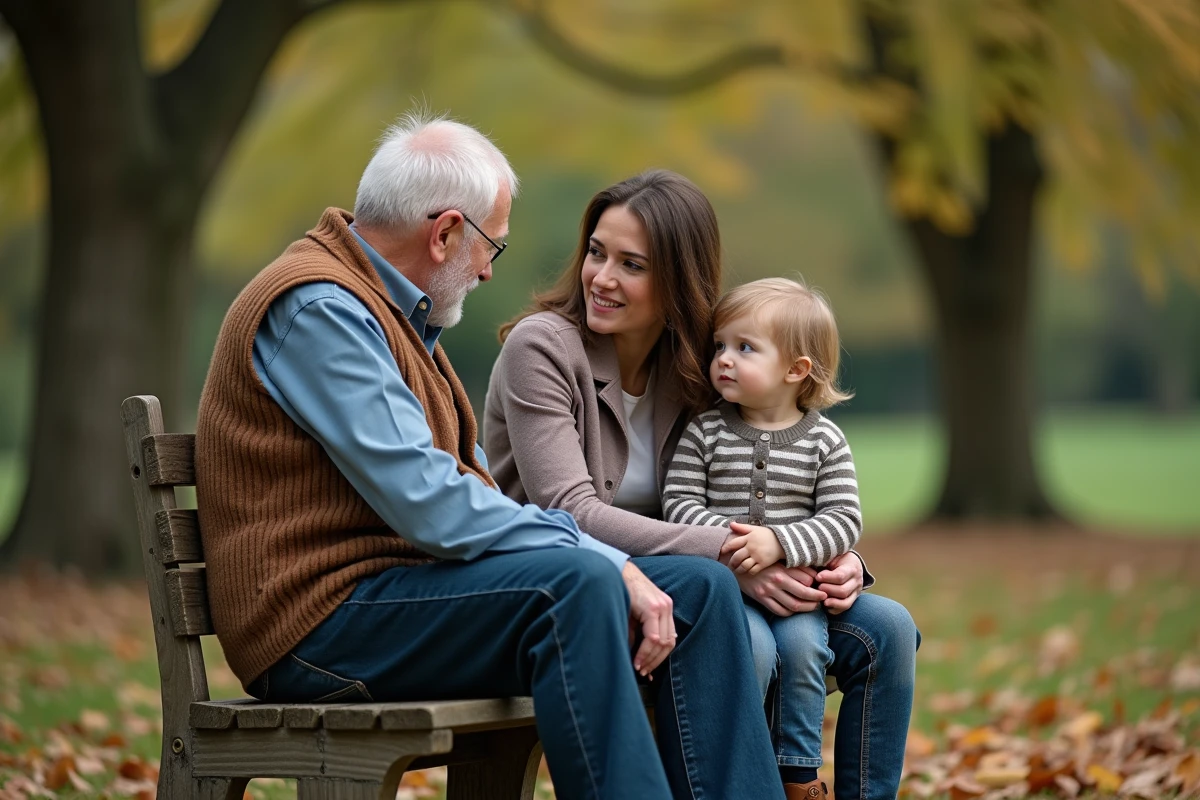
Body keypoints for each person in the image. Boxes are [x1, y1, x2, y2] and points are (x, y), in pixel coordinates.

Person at [194, 114, 786, 800]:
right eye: (490, 248)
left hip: (400, 597)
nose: (485, 268)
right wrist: (608, 560)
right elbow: (433, 503)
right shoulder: (320, 309)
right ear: (445, 232)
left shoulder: (394, 315)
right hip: (318, 627)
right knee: (575, 585)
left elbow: (466, 485)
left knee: (703, 590)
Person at [484, 170, 919, 800]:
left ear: (678, 281)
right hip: (585, 577)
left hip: (715, 570)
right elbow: (567, 510)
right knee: (737, 628)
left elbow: (760, 479)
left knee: (887, 629)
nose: (602, 277)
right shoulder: (543, 349)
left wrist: (838, 559)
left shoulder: (697, 364)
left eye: (631, 264)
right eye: (597, 253)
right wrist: (730, 557)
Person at [662, 276, 863, 798]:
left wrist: (779, 543)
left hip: (800, 594)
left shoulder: (824, 440)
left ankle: (797, 774)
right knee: (749, 652)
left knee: (801, 653)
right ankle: (741, 763)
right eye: (721, 346)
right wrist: (735, 546)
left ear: (796, 370)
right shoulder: (705, 430)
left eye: (745, 348)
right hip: (733, 593)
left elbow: (843, 519)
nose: (724, 359)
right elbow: (679, 507)